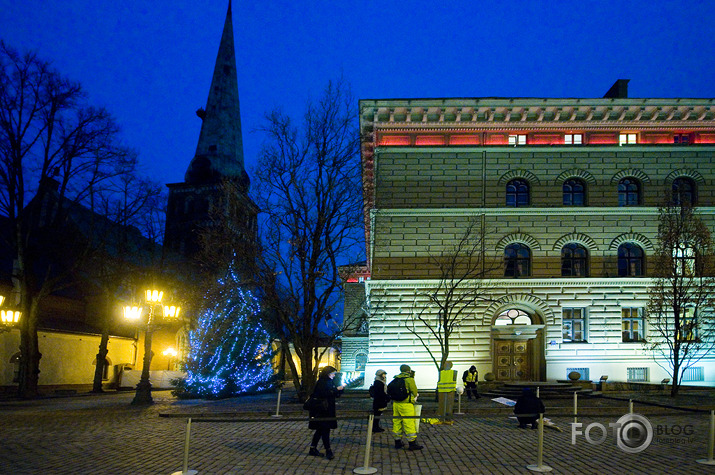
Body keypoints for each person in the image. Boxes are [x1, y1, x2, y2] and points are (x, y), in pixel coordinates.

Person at [308, 366, 344, 459]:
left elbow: (334, 394)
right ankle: (328, 451)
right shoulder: (322, 382)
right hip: (322, 410)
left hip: (327, 409)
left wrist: (340, 390)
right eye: (333, 373)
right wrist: (337, 389)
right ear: (328, 374)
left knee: (320, 430)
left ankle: (313, 448)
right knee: (325, 430)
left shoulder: (329, 381)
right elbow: (325, 394)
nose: (334, 375)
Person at [391, 364, 424, 450]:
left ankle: (397, 442)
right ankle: (412, 443)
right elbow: (415, 391)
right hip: (406, 404)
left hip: (396, 404)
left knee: (397, 422)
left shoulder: (396, 378)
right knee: (409, 422)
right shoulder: (409, 379)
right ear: (409, 370)